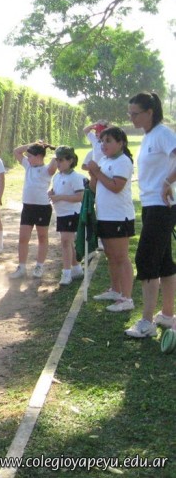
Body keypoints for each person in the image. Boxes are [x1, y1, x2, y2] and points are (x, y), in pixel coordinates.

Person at [125, 92, 176, 337]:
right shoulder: (148, 136)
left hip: (161, 205)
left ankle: (146, 322)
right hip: (151, 205)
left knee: (145, 259)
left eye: (135, 114)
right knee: (164, 261)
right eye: (130, 113)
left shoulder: (163, 134)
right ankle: (166, 315)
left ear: (149, 112)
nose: (131, 118)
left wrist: (167, 182)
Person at [86, 127, 136, 311]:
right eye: (101, 141)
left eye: (108, 141)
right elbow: (94, 188)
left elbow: (116, 186)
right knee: (110, 255)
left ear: (120, 143)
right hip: (105, 215)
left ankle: (127, 298)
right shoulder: (104, 160)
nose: (103, 145)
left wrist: (97, 172)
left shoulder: (123, 161)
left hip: (119, 216)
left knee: (121, 257)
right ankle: (115, 290)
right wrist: (93, 175)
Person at [9, 142, 58, 279]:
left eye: (30, 156)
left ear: (39, 156)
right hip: (28, 207)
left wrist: (51, 149)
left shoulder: (47, 169)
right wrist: (32, 144)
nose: (27, 158)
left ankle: (39, 266)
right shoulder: (28, 166)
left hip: (42, 207)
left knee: (42, 237)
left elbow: (56, 160)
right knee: (23, 238)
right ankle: (22, 267)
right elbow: (16, 151)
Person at [48, 146, 85, 285]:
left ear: (70, 160)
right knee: (67, 242)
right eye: (57, 160)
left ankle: (66, 273)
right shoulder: (57, 176)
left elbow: (80, 196)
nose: (58, 163)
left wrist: (60, 197)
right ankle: (76, 268)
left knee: (65, 242)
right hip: (61, 213)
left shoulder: (75, 177)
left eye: (61, 160)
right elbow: (55, 189)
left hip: (72, 213)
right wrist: (51, 193)